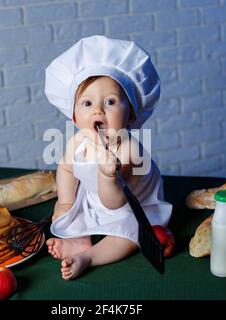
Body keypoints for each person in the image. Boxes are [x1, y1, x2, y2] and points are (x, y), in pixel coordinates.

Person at [44, 35, 173, 280]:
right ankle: (80, 241)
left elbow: (115, 202)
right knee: (64, 214)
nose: (98, 110)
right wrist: (66, 201)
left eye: (111, 101)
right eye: (87, 102)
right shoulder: (78, 141)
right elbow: (67, 169)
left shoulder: (130, 151)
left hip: (130, 205)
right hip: (92, 198)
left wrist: (107, 175)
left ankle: (88, 257)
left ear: (132, 115)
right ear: (74, 116)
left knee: (129, 234)